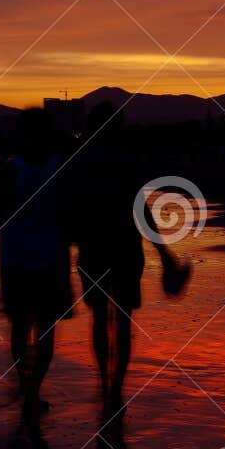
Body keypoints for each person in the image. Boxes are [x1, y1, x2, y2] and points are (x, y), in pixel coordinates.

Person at [64, 104, 191, 420]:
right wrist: (163, 253)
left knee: (99, 318)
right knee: (122, 320)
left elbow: (70, 208)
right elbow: (141, 209)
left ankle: (104, 383)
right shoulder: (125, 159)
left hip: (93, 247)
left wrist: (65, 244)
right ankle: (116, 388)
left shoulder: (80, 160)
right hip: (125, 247)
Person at [0, 108, 73, 425]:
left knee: (20, 327)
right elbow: (72, 214)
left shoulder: (12, 168)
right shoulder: (60, 166)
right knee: (45, 329)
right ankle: (32, 390)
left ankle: (25, 386)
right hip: (51, 258)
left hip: (16, 258)